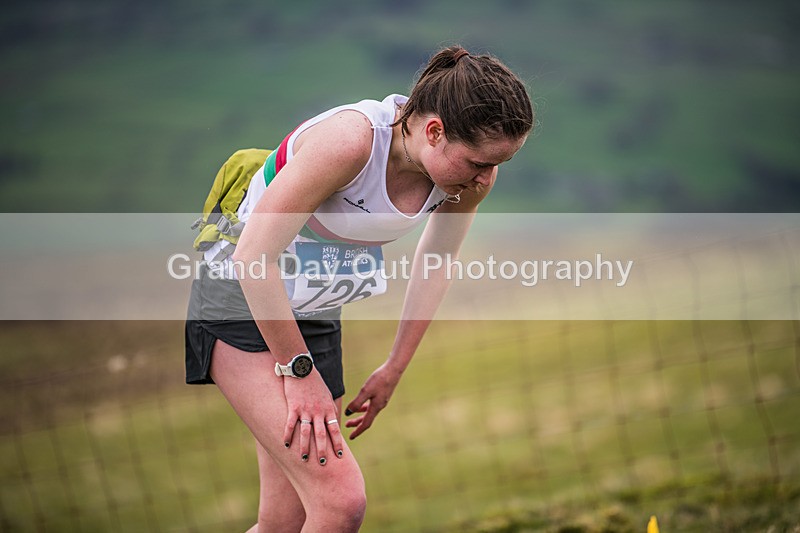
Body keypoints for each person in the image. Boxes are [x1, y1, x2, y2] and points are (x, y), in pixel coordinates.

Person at [185, 45, 533, 532]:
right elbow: (253, 258)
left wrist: (394, 366)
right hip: (239, 301)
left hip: (315, 311)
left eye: (499, 164)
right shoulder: (349, 144)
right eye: (479, 161)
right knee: (339, 502)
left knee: (282, 523)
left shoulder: (466, 181)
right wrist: (298, 371)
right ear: (434, 131)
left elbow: (437, 261)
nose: (486, 178)